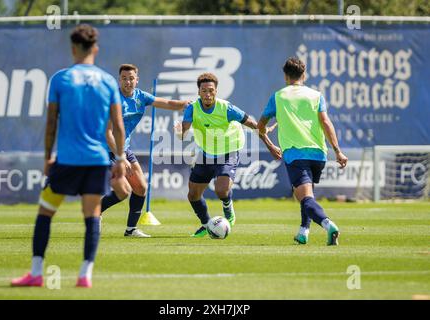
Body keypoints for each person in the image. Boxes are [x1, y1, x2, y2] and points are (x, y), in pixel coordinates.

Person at [11, 24, 126, 288]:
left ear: (73, 48)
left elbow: (51, 123)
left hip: (67, 160)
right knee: (92, 216)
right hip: (97, 161)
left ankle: (37, 273)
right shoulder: (108, 81)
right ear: (95, 48)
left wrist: (47, 158)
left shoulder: (61, 79)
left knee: (46, 211)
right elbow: (118, 126)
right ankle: (85, 275)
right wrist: (119, 159)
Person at [257, 57, 348, 246]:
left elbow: (260, 126)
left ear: (285, 76)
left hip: (296, 154)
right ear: (304, 75)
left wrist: (268, 139)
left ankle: (328, 224)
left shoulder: (278, 96)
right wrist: (337, 151)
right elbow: (325, 122)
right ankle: (303, 231)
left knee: (304, 198)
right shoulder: (316, 95)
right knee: (308, 194)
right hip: (318, 154)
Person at [175, 72, 274, 237]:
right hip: (206, 152)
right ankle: (207, 225)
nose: (208, 94)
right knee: (193, 195)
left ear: (216, 91)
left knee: (221, 191)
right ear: (198, 92)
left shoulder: (226, 108)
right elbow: (183, 132)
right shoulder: (192, 108)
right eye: (204, 90)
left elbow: (252, 124)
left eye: (211, 90)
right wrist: (179, 132)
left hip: (228, 150)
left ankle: (228, 208)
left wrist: (270, 146)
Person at [100, 64, 190, 238]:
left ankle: (131, 230)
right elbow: (107, 134)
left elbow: (168, 103)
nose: (128, 82)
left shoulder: (141, 97)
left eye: (131, 78)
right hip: (106, 150)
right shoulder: (113, 100)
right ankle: (97, 211)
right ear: (119, 80)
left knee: (141, 188)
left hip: (123, 150)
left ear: (137, 79)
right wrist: (120, 158)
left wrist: (186, 104)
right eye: (124, 78)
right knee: (124, 191)